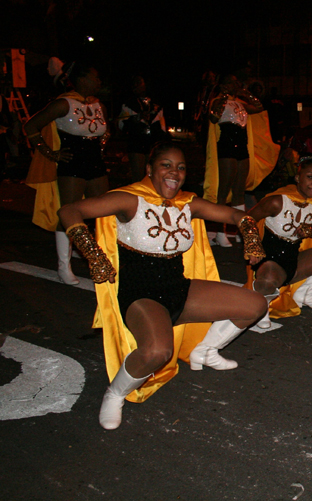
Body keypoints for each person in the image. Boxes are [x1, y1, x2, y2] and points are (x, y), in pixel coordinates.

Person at [57, 143, 269, 429]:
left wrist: (251, 237)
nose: (174, 173)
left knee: (255, 304)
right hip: (141, 295)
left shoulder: (188, 203)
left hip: (178, 288)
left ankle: (205, 351)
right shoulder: (130, 199)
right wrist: (92, 253)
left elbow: (236, 215)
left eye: (180, 167)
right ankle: (115, 393)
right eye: (166, 165)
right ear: (149, 169)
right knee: (157, 352)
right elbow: (69, 209)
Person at [24, 62, 110, 285]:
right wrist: (50, 153)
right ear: (81, 79)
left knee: (104, 212)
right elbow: (31, 126)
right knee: (68, 213)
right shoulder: (63, 103)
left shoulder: (99, 104)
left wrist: (102, 145)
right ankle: (64, 266)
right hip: (72, 164)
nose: (99, 81)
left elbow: (104, 131)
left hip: (96, 164)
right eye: (95, 77)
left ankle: (101, 258)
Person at [246, 157, 312, 331]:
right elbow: (246, 220)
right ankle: (262, 307)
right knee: (269, 278)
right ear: (297, 178)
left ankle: (306, 292)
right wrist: (252, 246)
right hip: (269, 261)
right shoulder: (277, 201)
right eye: (310, 177)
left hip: (293, 262)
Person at [203, 74, 267, 247]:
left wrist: (246, 93)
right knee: (223, 191)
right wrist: (224, 96)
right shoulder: (218, 101)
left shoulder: (240, 102)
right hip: (227, 142)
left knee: (239, 190)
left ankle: (240, 230)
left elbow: (259, 107)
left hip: (241, 143)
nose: (236, 84)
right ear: (224, 85)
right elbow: (213, 118)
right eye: (232, 82)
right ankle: (220, 231)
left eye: (236, 82)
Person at [117, 75, 167, 182]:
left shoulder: (156, 104)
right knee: (138, 177)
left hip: (152, 144)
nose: (136, 86)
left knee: (152, 177)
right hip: (136, 143)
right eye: (134, 83)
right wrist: (137, 118)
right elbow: (121, 124)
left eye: (139, 83)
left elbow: (162, 128)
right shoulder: (129, 104)